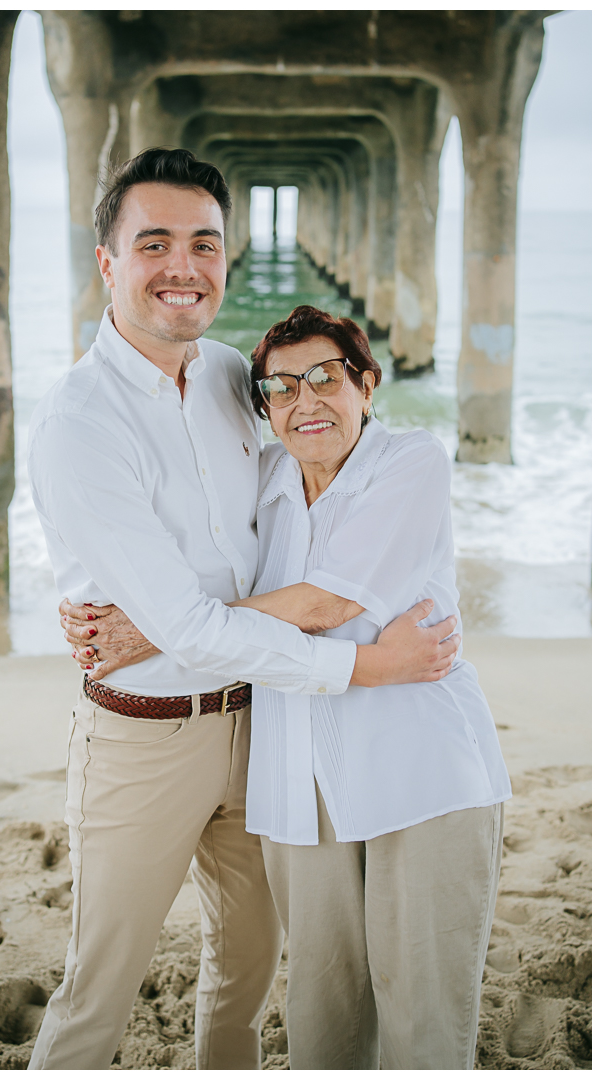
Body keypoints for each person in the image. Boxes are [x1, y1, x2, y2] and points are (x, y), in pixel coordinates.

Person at [27, 149, 459, 1070]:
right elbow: (187, 629)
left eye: (204, 243)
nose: (182, 266)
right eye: (154, 244)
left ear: (227, 258)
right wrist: (364, 664)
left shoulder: (232, 374)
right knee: (101, 981)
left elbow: (296, 505)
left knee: (249, 965)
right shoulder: (82, 425)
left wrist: (148, 623)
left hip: (262, 725)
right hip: (148, 735)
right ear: (107, 262)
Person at [70, 305, 512, 1071]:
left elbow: (325, 605)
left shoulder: (411, 462)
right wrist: (88, 595)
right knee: (321, 1003)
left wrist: (156, 630)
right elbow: (187, 534)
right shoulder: (267, 479)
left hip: (422, 774)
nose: (305, 402)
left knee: (422, 1012)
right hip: (297, 783)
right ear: (264, 409)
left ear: (366, 385)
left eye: (324, 379)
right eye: (280, 389)